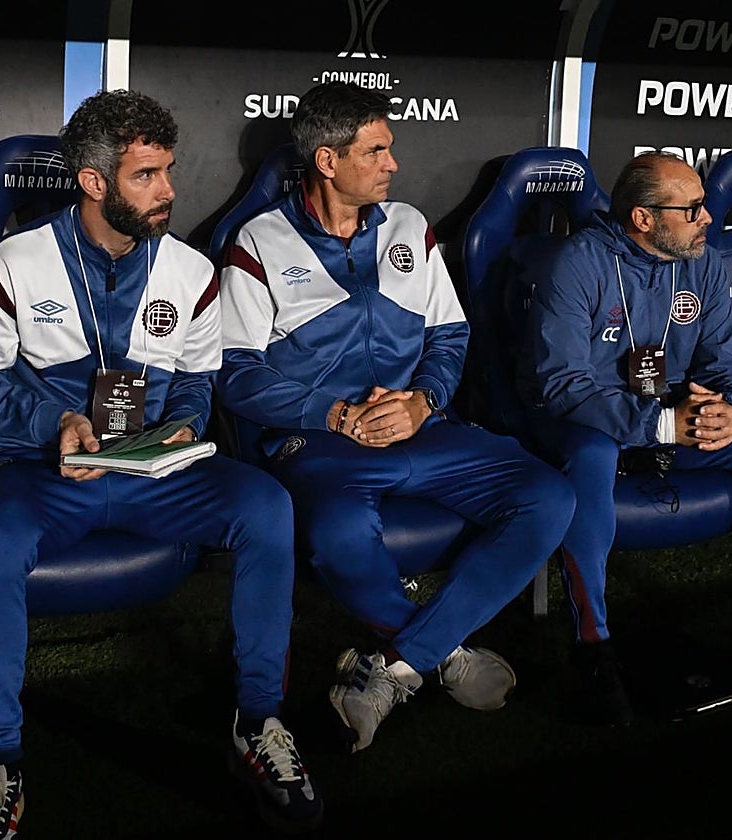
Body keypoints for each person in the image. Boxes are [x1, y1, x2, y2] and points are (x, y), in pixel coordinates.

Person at [0, 89, 321, 837]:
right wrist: (55, 422)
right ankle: (0, 761)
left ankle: (259, 722)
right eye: (146, 175)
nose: (169, 191)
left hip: (155, 476)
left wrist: (179, 427)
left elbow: (194, 380)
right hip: (42, 472)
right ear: (93, 182)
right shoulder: (12, 264)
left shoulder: (189, 270)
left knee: (266, 506)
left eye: (169, 171)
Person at [216, 80, 576, 753]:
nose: (393, 164)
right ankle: (439, 652)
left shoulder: (411, 226)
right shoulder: (259, 241)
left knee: (549, 495)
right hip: (319, 441)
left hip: (422, 429)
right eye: (377, 151)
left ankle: (398, 664)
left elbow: (448, 336)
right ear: (328, 161)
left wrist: (425, 400)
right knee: (338, 529)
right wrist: (336, 415)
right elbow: (235, 375)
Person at [519, 149, 732, 726]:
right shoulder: (576, 263)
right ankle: (593, 650)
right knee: (590, 454)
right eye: (692, 209)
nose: (708, 218)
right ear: (643, 218)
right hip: (587, 418)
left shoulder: (703, 262)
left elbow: (728, 360)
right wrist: (660, 423)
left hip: (670, 412)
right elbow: (563, 386)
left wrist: (731, 410)